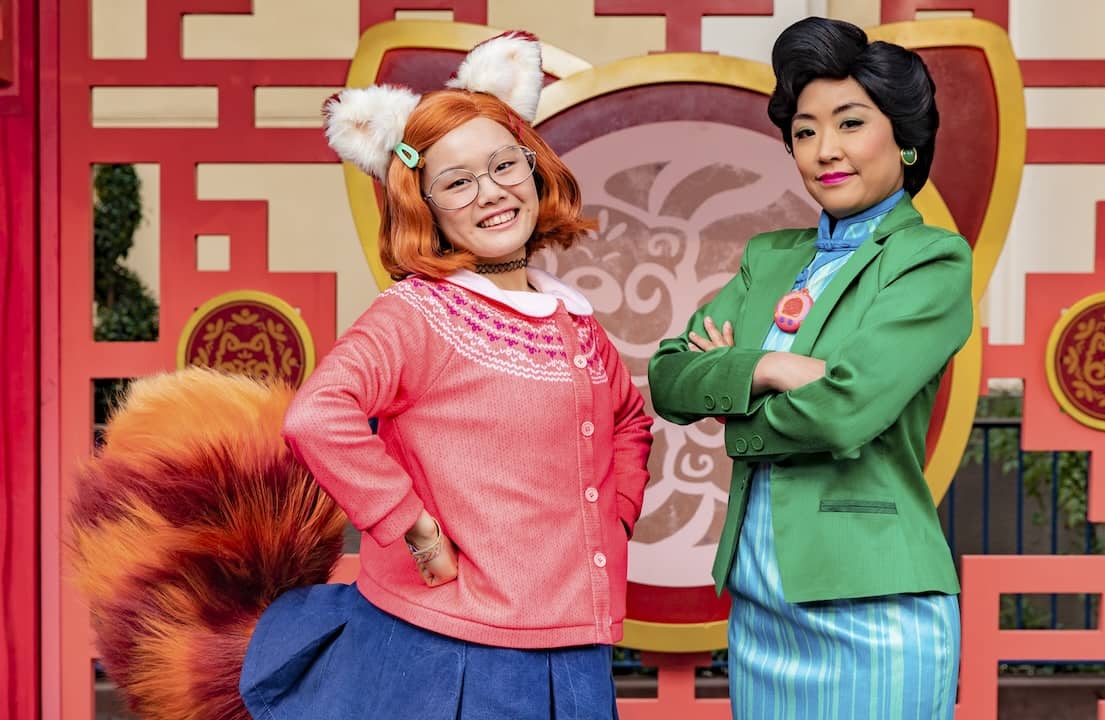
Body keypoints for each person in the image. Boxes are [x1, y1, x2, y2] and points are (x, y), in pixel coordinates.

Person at [70, 32, 652, 720]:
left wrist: (614, 515)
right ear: (424, 205)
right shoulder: (417, 314)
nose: (491, 192)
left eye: (504, 165)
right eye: (457, 182)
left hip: (575, 643)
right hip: (453, 649)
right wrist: (413, 527)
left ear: (534, 167)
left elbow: (629, 420)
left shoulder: (574, 319)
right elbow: (319, 414)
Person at [647, 16, 971, 719]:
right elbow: (669, 378)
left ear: (905, 138)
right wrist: (769, 366)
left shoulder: (930, 262)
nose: (825, 150)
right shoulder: (768, 257)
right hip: (760, 603)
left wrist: (731, 397)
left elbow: (844, 411)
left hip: (876, 602)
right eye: (804, 131)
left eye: (851, 123)